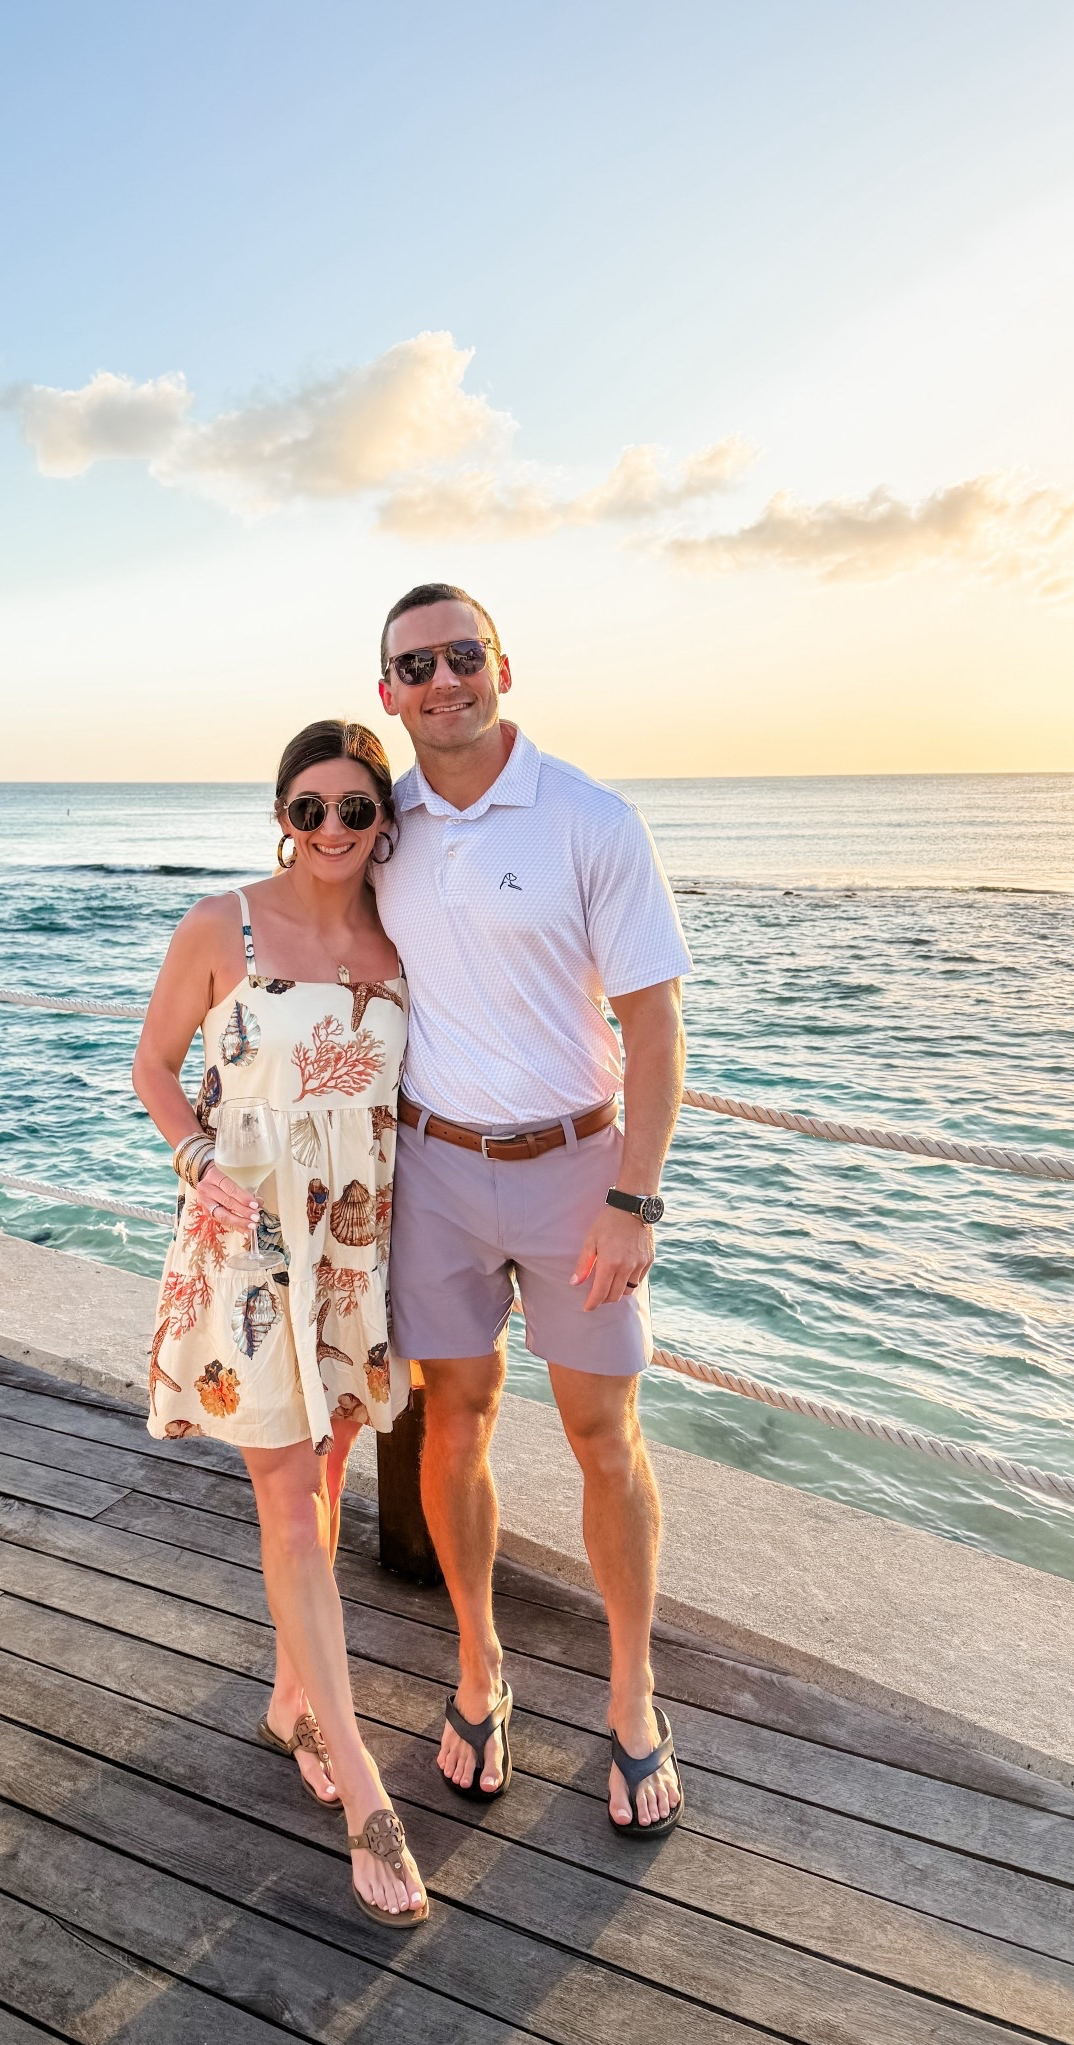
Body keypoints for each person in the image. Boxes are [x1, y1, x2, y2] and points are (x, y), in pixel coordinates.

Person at [373, 584, 692, 1836]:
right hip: (432, 1169)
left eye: (463, 654)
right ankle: (479, 1667)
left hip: (576, 1169)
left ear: (505, 664)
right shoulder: (377, 825)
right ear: (387, 687)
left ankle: (631, 1693)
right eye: (416, 663)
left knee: (602, 1432)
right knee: (453, 1420)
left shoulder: (590, 819)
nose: (443, 678)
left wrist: (633, 1195)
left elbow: (656, 1027)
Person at [132, 718, 428, 1925]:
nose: (333, 830)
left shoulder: (402, 939)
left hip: (356, 1248)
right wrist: (196, 1153)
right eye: (311, 808)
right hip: (253, 1249)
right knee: (291, 1505)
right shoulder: (225, 925)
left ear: (382, 823)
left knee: (333, 1465)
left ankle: (289, 1700)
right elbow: (152, 1064)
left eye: (356, 809)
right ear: (282, 815)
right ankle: (361, 1783)